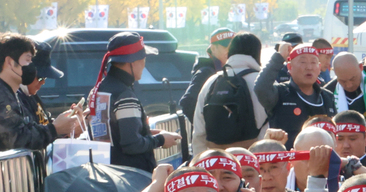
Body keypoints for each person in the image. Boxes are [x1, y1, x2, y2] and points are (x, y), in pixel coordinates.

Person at [0, 33, 80, 157]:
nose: (32, 67)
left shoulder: (7, 90)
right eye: (28, 60)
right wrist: (54, 129)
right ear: (10, 62)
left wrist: (64, 125)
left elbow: (30, 128)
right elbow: (19, 139)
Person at [88, 32, 180, 172]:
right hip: (131, 175)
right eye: (143, 59)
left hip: (106, 170)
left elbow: (114, 134)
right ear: (132, 62)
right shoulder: (124, 95)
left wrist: (148, 132)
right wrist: (160, 140)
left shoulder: (99, 89)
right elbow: (132, 145)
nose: (144, 65)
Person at [191, 33, 271, 155]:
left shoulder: (212, 82)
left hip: (219, 161)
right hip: (254, 160)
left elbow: (199, 132)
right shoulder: (263, 82)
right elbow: (271, 126)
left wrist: (201, 163)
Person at [256, 43, 336, 149]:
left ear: (319, 68)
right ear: (289, 67)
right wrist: (279, 57)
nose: (309, 67)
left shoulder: (327, 96)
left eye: (313, 62)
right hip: (287, 161)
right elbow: (260, 88)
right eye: (303, 62)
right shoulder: (280, 93)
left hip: (322, 159)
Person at [180, 27, 233, 118]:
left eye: (232, 47)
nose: (229, 50)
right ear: (213, 48)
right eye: (225, 46)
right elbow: (187, 103)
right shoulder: (205, 72)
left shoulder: (229, 70)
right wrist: (206, 127)